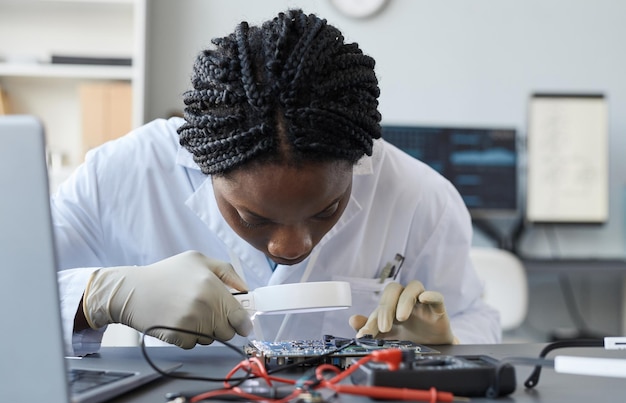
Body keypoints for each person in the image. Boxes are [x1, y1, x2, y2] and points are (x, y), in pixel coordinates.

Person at [53, 9, 500, 356]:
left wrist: (446, 344)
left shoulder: (422, 198)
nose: (291, 247)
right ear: (203, 164)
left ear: (358, 161)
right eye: (252, 217)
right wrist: (97, 295)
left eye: (327, 209)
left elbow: (475, 318)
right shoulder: (123, 174)